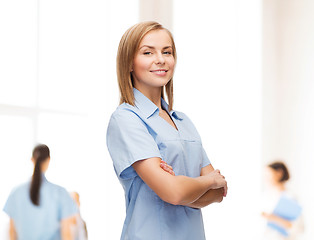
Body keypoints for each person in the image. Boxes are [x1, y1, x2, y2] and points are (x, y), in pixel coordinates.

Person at [106, 21, 228, 240]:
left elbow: (219, 193)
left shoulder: (184, 122)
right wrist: (208, 181)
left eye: (167, 52)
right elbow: (175, 191)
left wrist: (180, 186)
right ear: (129, 63)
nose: (160, 59)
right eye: (147, 52)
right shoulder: (126, 118)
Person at [3, 144, 78, 240]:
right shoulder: (60, 193)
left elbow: (12, 233)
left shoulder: (16, 193)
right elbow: (66, 234)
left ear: (32, 160)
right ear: (49, 160)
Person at [261, 161, 304, 240]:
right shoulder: (264, 196)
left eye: (267, 175)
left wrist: (274, 218)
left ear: (279, 173)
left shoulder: (290, 197)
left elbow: (299, 227)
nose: (265, 178)